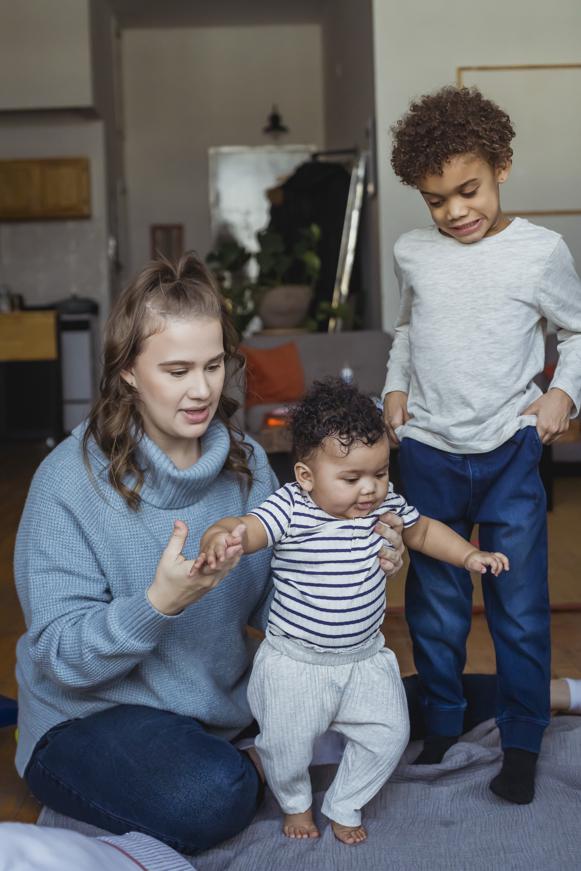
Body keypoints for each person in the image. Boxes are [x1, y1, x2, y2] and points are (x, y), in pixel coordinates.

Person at [13, 253, 406, 855]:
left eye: (214, 365)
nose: (201, 390)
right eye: (176, 370)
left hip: (220, 699)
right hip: (92, 714)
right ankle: (269, 756)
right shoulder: (66, 483)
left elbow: (286, 595)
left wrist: (356, 559)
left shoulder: (246, 462)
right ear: (128, 373)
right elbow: (61, 659)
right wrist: (157, 604)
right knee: (209, 794)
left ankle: (277, 747)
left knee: (403, 704)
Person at [199, 378, 508, 845]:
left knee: (389, 734)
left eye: (381, 473)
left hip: (365, 660)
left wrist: (468, 556)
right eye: (351, 478)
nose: (369, 490)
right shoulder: (292, 507)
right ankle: (296, 800)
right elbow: (249, 526)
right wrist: (223, 535)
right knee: (285, 747)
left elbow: (422, 531)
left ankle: (344, 800)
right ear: (306, 476)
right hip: (295, 665)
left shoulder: (382, 507)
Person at [383, 86, 581, 805]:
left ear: (500, 165)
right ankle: (439, 726)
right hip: (428, 454)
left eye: (466, 190)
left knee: (519, 606)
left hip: (507, 455)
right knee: (433, 607)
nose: (454, 212)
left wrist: (563, 393)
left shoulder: (539, 252)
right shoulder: (413, 252)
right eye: (435, 200)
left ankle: (522, 737)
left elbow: (577, 331)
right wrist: (393, 391)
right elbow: (406, 331)